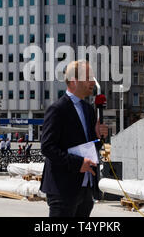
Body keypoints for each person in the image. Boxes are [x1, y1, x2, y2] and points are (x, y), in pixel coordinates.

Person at [40, 60, 109, 217]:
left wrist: (99, 137)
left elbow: (91, 148)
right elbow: (48, 147)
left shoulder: (88, 110)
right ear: (73, 81)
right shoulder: (57, 109)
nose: (92, 81)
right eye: (88, 77)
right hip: (62, 188)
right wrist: (79, 163)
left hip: (85, 188)